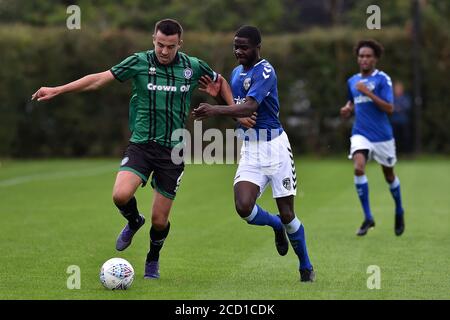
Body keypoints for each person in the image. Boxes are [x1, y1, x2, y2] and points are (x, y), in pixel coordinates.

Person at [31, 18, 232, 279]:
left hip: (173, 152)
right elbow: (98, 80)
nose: (164, 51)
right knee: (120, 195)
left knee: (160, 220)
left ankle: (152, 259)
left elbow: (221, 82)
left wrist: (233, 111)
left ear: (179, 44)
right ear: (153, 40)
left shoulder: (193, 67)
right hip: (141, 145)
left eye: (170, 46)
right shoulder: (138, 61)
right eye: (160, 44)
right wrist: (58, 90)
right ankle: (134, 220)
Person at [193, 25, 315, 282]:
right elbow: (241, 113)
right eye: (235, 46)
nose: (238, 51)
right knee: (243, 207)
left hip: (276, 150)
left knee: (288, 214)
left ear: (258, 47)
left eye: (244, 47)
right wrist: (220, 101)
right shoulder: (237, 73)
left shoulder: (266, 71)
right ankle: (274, 226)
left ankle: (305, 266)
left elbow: (250, 107)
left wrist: (216, 111)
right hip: (251, 150)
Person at [340, 39, 405, 236]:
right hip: (361, 133)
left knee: (389, 175)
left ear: (375, 59)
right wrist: (347, 109)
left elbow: (390, 108)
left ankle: (399, 210)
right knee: (358, 167)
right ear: (357, 59)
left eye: (368, 56)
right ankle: (368, 217)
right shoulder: (352, 81)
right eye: (361, 56)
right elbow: (353, 102)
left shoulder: (382, 79)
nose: (364, 59)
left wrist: (368, 92)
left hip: (383, 137)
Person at [391, 81, 412, 153]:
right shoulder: (392, 98)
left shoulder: (406, 97)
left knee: (406, 138)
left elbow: (407, 107)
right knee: (395, 139)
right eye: (396, 89)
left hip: (404, 121)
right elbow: (390, 108)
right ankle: (396, 153)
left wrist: (396, 108)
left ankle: (407, 154)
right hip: (394, 121)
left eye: (399, 88)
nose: (398, 90)